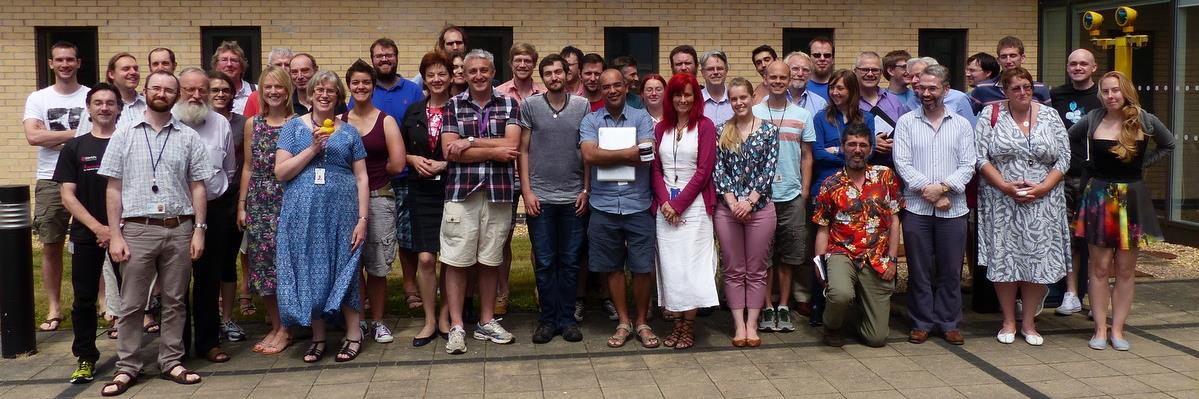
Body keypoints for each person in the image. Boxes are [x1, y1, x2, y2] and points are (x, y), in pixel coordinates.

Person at [98, 71, 215, 395]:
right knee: (132, 303)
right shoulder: (125, 133)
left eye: (168, 89)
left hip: (179, 228)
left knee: (176, 300)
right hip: (137, 228)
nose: (161, 93)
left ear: (176, 96)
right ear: (146, 91)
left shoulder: (188, 136)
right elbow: (114, 187)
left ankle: (171, 360)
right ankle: (127, 367)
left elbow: (198, 186)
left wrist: (199, 231)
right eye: (156, 88)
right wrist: (115, 235)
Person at [1072, 71, 1174, 351]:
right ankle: (1100, 329)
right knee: (1100, 267)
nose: (1110, 96)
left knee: (1126, 270)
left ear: (1125, 91)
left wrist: (1143, 165)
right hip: (1099, 196)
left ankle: (1118, 329)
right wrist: (1087, 165)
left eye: (1115, 91)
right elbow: (1067, 140)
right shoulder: (1093, 119)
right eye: (1105, 91)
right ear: (1100, 95)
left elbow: (1169, 144)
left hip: (1132, 197)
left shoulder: (1144, 119)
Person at [274, 70, 370, 363]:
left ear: (339, 97)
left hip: (342, 213)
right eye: (319, 90)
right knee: (309, 270)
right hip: (302, 213)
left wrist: (362, 219)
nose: (325, 95)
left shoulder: (350, 132)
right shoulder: (293, 128)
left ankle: (353, 333)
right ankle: (318, 337)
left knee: (347, 269)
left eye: (331, 91)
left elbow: (362, 177)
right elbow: (281, 172)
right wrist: (313, 148)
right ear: (310, 95)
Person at [975, 67, 1070, 347]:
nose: (1023, 92)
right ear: (1004, 91)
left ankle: (1029, 321)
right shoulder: (990, 115)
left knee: (1036, 259)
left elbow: (1064, 159)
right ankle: (1007, 320)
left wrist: (1043, 187)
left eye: (1027, 87)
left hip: (1043, 200)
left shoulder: (1050, 116)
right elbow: (980, 158)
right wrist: (1004, 185)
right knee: (1006, 258)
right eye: (1015, 88)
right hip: (1002, 200)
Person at [439, 49, 521, 354]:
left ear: (493, 71)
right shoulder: (453, 105)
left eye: (484, 70)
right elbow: (449, 150)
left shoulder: (510, 103)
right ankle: (457, 326)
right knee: (457, 261)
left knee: (490, 260)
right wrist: (493, 150)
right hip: (462, 193)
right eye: (472, 71)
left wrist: (470, 142)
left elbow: (512, 145)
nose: (478, 76)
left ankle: (487, 321)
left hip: (499, 192)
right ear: (466, 73)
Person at [892, 65, 976, 345]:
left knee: (951, 269)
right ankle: (922, 322)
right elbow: (902, 163)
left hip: (953, 208)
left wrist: (943, 189)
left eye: (932, 88)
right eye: (921, 88)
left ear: (946, 90)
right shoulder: (906, 122)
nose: (925, 93)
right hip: (917, 208)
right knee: (919, 268)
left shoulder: (961, 124)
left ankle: (949, 321)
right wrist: (929, 190)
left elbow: (968, 165)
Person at [580, 69, 659, 349]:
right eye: (606, 87)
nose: (612, 90)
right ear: (600, 90)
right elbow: (589, 155)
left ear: (626, 87)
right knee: (611, 267)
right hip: (603, 205)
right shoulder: (590, 120)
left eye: (617, 85)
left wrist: (606, 155)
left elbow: (647, 154)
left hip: (638, 203)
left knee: (641, 267)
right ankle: (623, 322)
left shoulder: (641, 118)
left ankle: (642, 322)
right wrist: (629, 152)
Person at [518, 54, 592, 344]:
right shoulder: (530, 106)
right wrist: (527, 191)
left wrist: (586, 190)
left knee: (571, 261)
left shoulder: (582, 106)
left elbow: (587, 150)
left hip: (574, 197)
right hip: (541, 198)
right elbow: (522, 150)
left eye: (558, 72)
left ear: (566, 73)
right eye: (547, 73)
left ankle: (567, 319)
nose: (554, 77)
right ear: (543, 78)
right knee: (546, 262)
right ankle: (547, 319)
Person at [813, 123, 903, 348]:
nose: (857, 150)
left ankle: (855, 315)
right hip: (842, 251)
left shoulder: (885, 177)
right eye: (852, 144)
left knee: (876, 338)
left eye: (863, 145)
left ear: (870, 149)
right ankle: (832, 325)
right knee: (840, 294)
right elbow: (823, 228)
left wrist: (893, 259)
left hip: (877, 255)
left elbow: (894, 220)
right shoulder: (830, 184)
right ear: (842, 147)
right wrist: (819, 265)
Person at [56, 83, 121, 384]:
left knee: (133, 298)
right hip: (87, 233)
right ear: (89, 108)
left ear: (119, 108)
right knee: (83, 299)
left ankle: (130, 356)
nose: (104, 108)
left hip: (124, 232)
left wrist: (115, 230)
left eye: (110, 103)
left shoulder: (128, 142)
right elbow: (67, 195)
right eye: (98, 103)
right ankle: (85, 357)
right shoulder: (75, 147)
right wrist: (98, 228)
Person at [23, 40, 89, 333]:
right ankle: (54, 307)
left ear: (78, 63)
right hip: (50, 177)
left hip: (87, 174)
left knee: (92, 242)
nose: (65, 64)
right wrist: (77, 136)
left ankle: (102, 301)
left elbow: (100, 131)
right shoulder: (38, 98)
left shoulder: (90, 96)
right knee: (51, 244)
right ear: (51, 63)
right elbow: (33, 138)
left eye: (70, 59)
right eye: (59, 60)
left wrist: (54, 137)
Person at [175, 67, 237, 363]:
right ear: (179, 91)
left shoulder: (220, 123)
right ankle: (177, 345)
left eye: (203, 90)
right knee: (174, 282)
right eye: (190, 89)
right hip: (176, 212)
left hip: (214, 209)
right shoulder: (169, 122)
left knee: (208, 279)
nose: (197, 95)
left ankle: (208, 342)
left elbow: (230, 168)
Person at [651, 73, 717, 350]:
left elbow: (704, 170)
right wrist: (666, 201)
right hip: (665, 206)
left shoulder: (705, 126)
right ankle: (675, 322)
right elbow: (655, 169)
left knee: (692, 268)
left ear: (695, 97)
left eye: (688, 94)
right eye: (677, 94)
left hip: (696, 208)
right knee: (671, 267)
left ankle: (688, 325)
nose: (682, 99)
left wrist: (678, 204)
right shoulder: (660, 128)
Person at [343, 60, 406, 344]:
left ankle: (379, 321)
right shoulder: (340, 121)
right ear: (349, 86)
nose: (360, 87)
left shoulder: (386, 121)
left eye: (366, 82)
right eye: (355, 82)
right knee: (352, 263)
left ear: (373, 86)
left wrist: (376, 175)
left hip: (380, 197)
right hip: (347, 202)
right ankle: (360, 320)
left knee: (378, 264)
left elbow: (398, 162)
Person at [360, 38, 424, 314]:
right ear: (372, 60)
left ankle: (410, 286)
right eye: (378, 56)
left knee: (408, 236)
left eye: (389, 55)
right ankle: (367, 295)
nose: (384, 60)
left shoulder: (413, 90)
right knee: (375, 235)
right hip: (375, 177)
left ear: (397, 57)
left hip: (408, 173)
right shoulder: (365, 91)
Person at [714, 77, 779, 347]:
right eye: (733, 99)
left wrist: (749, 202)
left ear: (753, 98)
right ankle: (738, 325)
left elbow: (769, 169)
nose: (739, 103)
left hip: (760, 209)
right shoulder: (721, 131)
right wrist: (733, 203)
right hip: (728, 210)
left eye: (743, 97)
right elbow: (719, 171)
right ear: (729, 101)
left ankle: (752, 324)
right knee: (732, 269)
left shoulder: (768, 130)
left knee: (756, 269)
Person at [237, 66, 294, 355]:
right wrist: (242, 204)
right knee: (263, 265)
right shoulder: (252, 124)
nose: (273, 92)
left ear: (288, 91)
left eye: (279, 87)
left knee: (287, 264)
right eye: (267, 86)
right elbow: (248, 166)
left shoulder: (298, 123)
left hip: (289, 199)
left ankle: (288, 327)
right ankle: (276, 324)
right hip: (260, 201)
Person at [754, 61, 816, 329]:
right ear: (765, 79)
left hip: (791, 195)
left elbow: (807, 156)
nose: (778, 81)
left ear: (790, 80)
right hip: (762, 197)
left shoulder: (802, 115)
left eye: (783, 77)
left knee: (790, 256)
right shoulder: (753, 112)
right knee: (765, 256)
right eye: (773, 77)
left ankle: (783, 306)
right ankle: (767, 306)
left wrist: (803, 190)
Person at [400, 52, 454, 347]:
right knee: (425, 257)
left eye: (442, 74)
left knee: (451, 257)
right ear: (424, 78)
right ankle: (430, 319)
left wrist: (446, 165)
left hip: (452, 189)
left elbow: (467, 148)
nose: (437, 79)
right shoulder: (413, 111)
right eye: (431, 74)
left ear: (450, 77)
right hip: (421, 191)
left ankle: (446, 316)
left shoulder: (460, 108)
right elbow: (401, 148)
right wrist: (412, 158)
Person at [1052, 49, 1103, 316]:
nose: (1078, 67)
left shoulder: (1102, 97)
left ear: (1094, 67)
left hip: (1095, 178)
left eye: (1084, 63)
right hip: (1064, 176)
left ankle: (1096, 298)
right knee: (1069, 238)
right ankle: (1071, 293)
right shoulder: (1056, 95)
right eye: (1073, 63)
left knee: (1096, 240)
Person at [208, 70, 254, 337]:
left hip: (232, 199)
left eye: (225, 90)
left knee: (227, 260)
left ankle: (226, 318)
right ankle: (207, 316)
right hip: (204, 200)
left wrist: (242, 203)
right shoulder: (196, 121)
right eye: (214, 90)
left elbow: (247, 162)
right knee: (205, 263)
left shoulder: (242, 123)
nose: (221, 94)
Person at [855, 51, 910, 170]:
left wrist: (896, 144)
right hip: (858, 170)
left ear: (881, 73)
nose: (870, 74)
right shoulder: (848, 102)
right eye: (865, 70)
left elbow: (907, 134)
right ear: (855, 71)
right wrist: (870, 143)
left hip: (892, 170)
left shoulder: (894, 101)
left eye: (875, 70)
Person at [970, 36, 1050, 113]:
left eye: (1013, 56)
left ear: (1022, 58)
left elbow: (1050, 119)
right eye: (1004, 57)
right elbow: (968, 120)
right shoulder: (983, 89)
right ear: (998, 60)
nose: (1008, 61)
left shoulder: (1041, 89)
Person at [905, 58, 976, 125]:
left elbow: (970, 130)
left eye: (918, 75)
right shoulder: (911, 100)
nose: (913, 81)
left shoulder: (959, 98)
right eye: (911, 77)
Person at [211, 41, 255, 114]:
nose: (229, 64)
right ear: (216, 65)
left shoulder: (257, 92)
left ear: (242, 66)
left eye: (234, 60)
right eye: (224, 60)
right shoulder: (206, 93)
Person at [783, 51, 828, 116]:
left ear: (810, 74)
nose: (800, 74)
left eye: (805, 70)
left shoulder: (820, 103)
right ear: (785, 71)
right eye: (795, 69)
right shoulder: (771, 100)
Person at [699, 50, 733, 126]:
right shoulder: (695, 100)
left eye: (720, 68)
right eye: (710, 69)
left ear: (726, 70)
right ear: (703, 72)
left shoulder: (736, 99)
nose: (715, 72)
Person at [807, 37, 835, 101]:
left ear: (833, 59)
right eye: (817, 55)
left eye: (827, 55)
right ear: (808, 58)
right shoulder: (800, 85)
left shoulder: (840, 87)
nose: (822, 59)